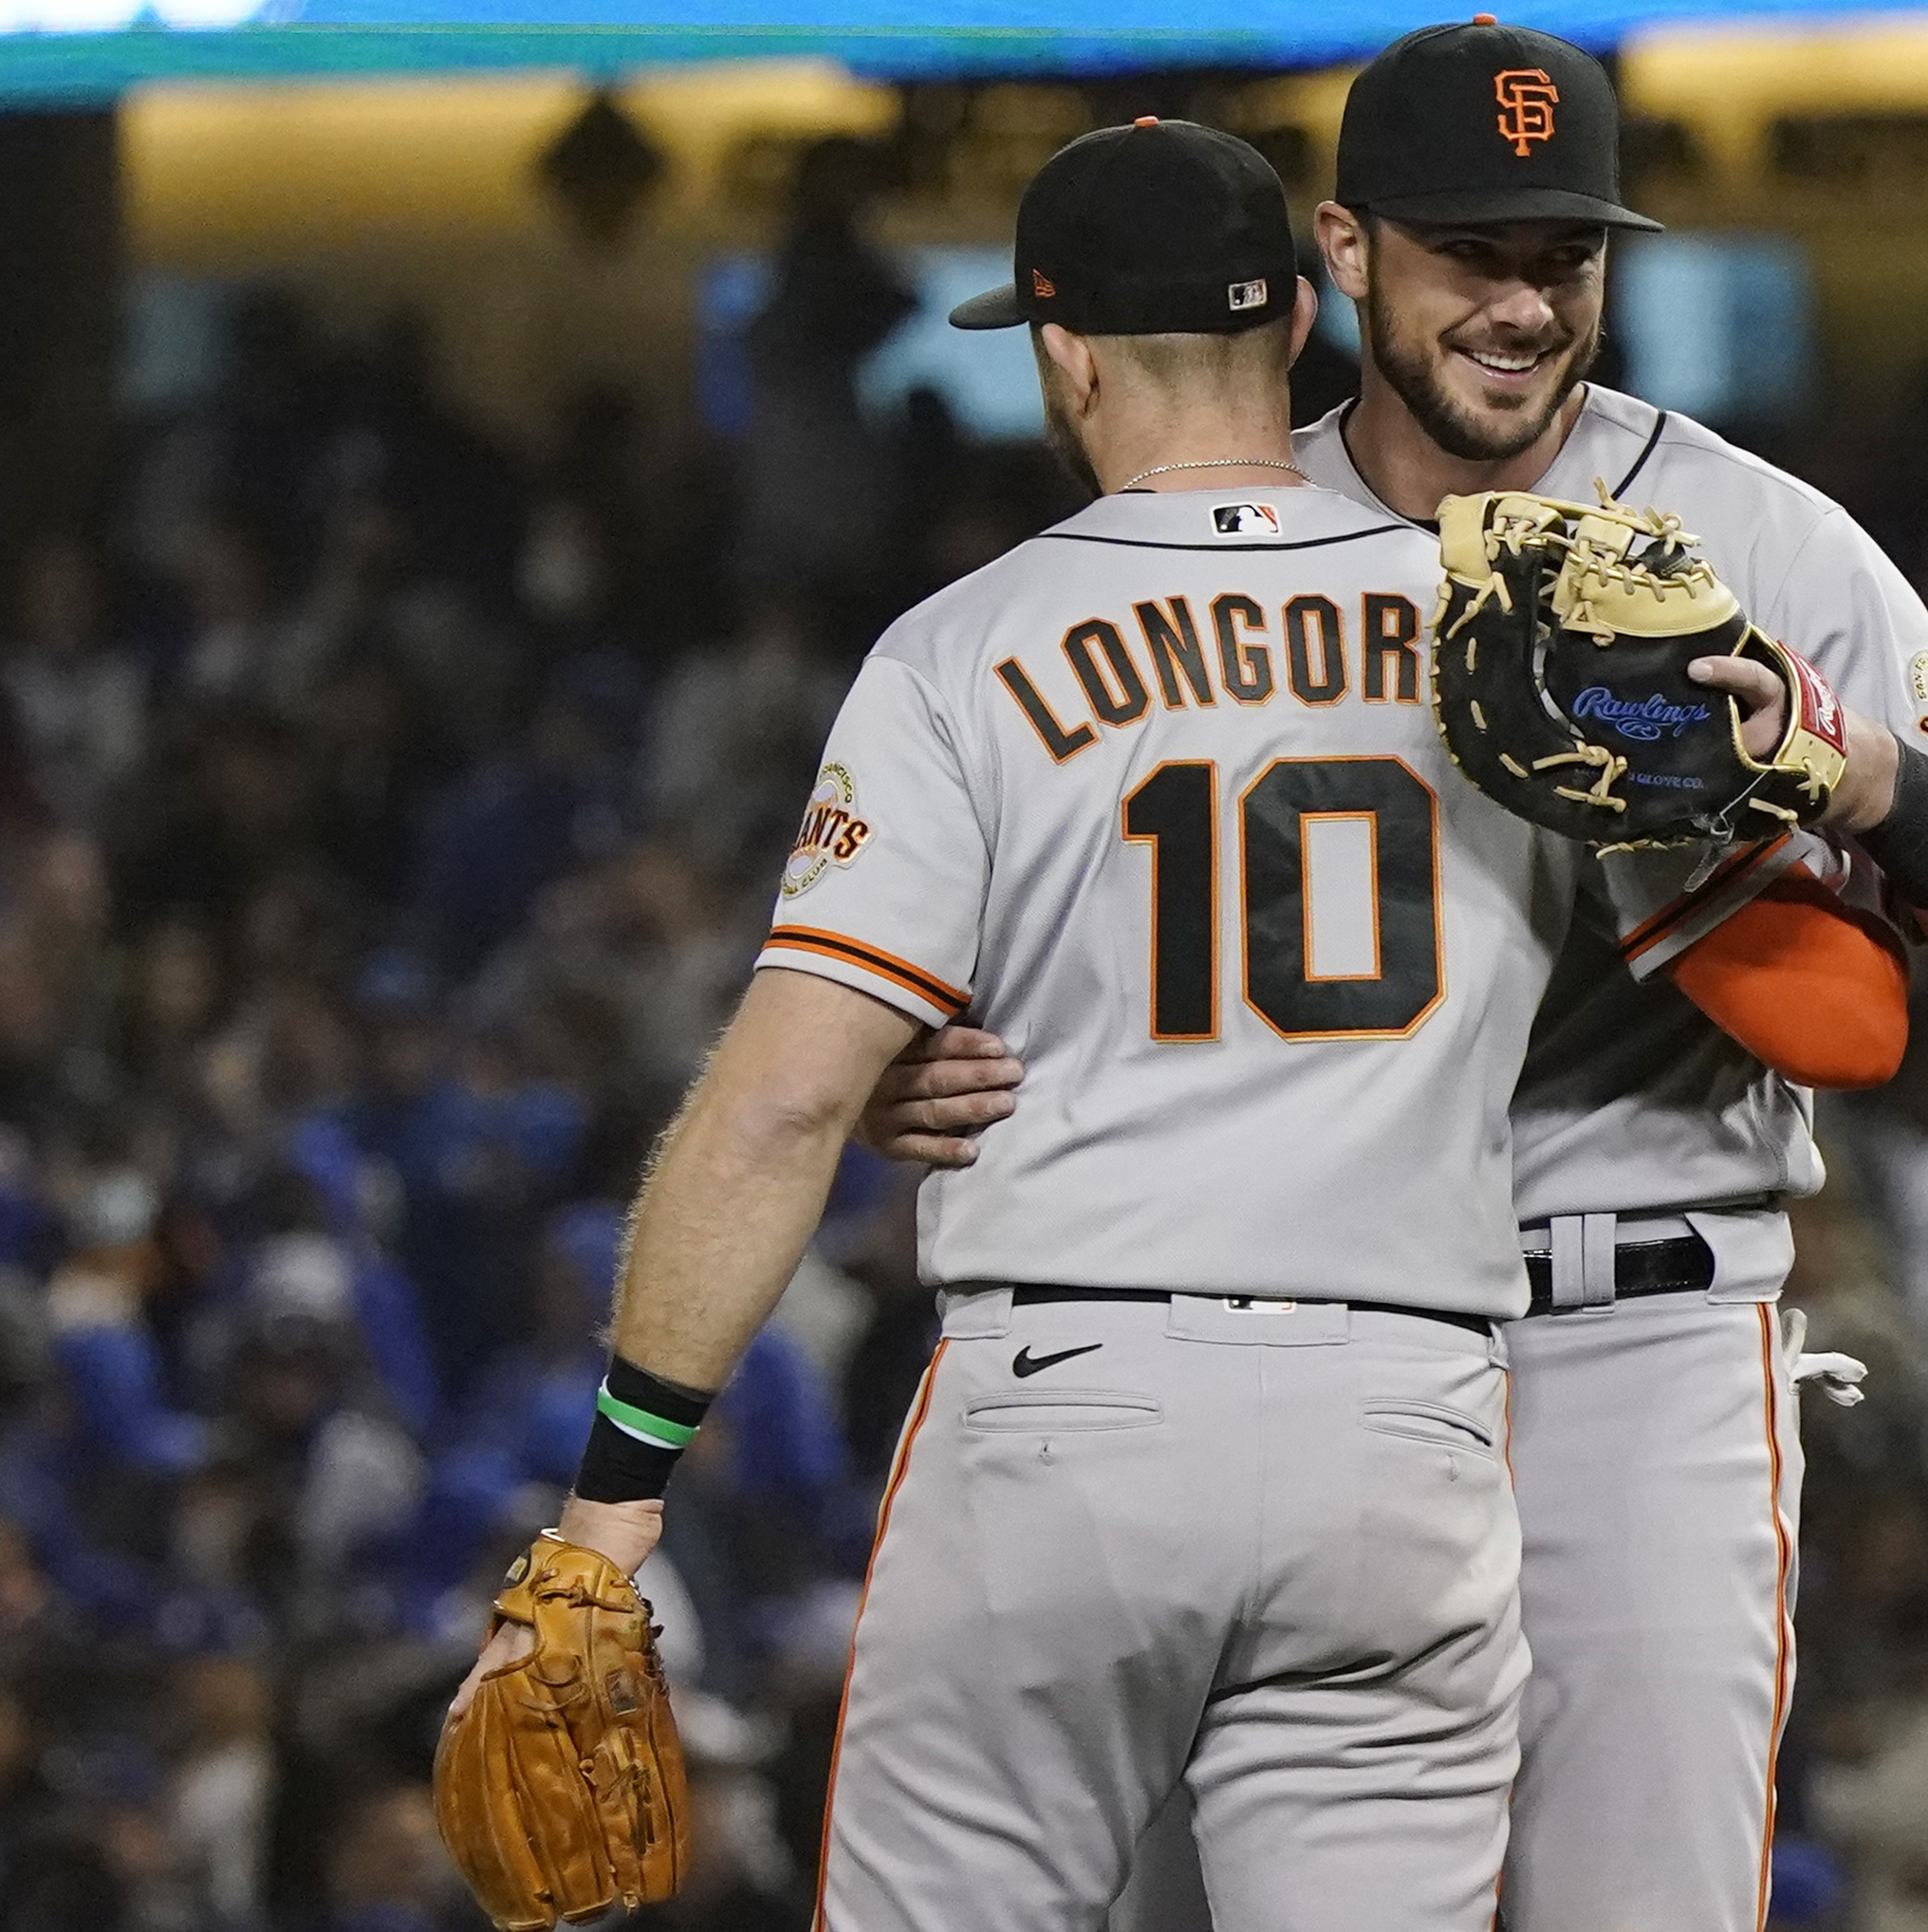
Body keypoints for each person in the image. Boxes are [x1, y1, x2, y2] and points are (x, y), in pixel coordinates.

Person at [862, 21, 1928, 1932]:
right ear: (1350, 254)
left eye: (1567, 256)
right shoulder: (1205, 544)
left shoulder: (1751, 534)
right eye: (1475, 251)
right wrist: (917, 1066)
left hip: (1634, 1327)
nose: (1525, 303)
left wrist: (1853, 768)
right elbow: (1016, 961)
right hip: (1283, 1353)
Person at [446, 116, 1754, 1932]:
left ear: (1060, 352)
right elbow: (1788, 981)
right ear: (1302, 318)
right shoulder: (1499, 630)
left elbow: (771, 1112)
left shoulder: (958, 651)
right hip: (1411, 1430)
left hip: (1070, 1406)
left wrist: (613, 1508)